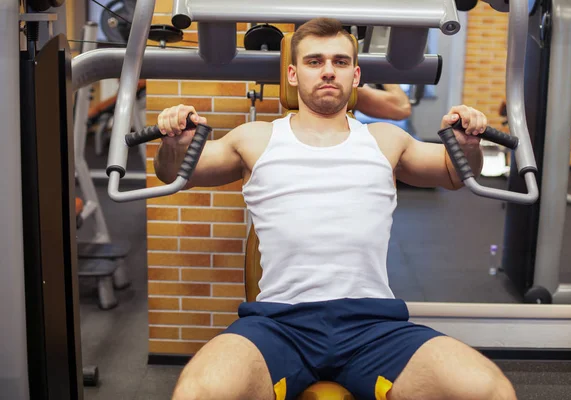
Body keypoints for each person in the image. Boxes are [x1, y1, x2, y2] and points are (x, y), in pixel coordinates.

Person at [154, 17, 516, 400]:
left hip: (373, 325)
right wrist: (176, 144)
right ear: (292, 75)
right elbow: (176, 173)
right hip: (278, 323)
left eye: (340, 62)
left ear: (356, 75)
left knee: (489, 390)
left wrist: (468, 143)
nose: (328, 71)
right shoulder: (256, 138)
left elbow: (454, 172)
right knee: (198, 392)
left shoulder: (385, 139)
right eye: (314, 62)